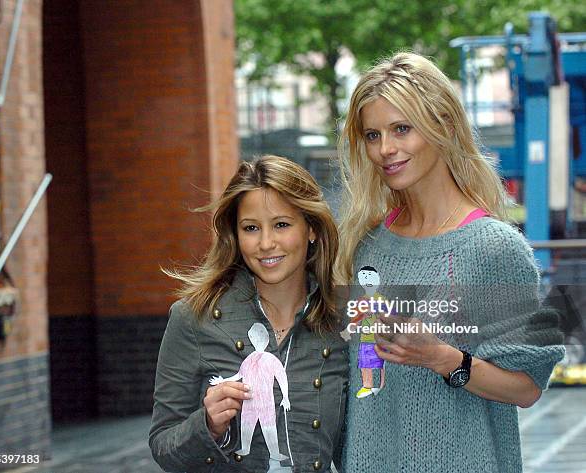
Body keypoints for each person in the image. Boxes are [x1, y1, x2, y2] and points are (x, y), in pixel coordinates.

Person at [336, 52, 565, 472]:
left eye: (401, 129)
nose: (386, 149)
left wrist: (443, 358)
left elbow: (527, 388)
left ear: (442, 125)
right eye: (372, 135)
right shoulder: (365, 246)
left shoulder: (492, 247)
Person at [149, 155, 347, 473]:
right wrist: (208, 426)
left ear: (311, 229)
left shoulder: (342, 320)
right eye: (251, 228)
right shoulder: (192, 317)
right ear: (235, 235)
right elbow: (163, 446)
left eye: (281, 224)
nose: (266, 243)